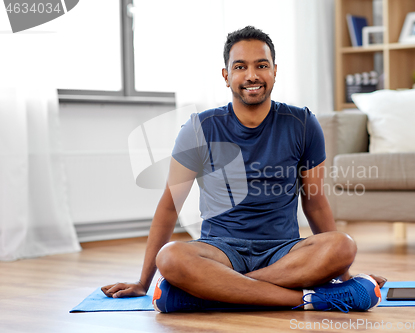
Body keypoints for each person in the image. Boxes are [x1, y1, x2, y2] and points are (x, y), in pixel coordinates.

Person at [102, 26, 386, 313]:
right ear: (226, 76)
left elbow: (314, 202)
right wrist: (143, 281)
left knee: (343, 246)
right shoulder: (199, 128)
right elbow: (168, 207)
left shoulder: (302, 123)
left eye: (261, 65)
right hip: (219, 251)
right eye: (240, 67)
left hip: (283, 251)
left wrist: (343, 270)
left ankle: (208, 294)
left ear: (275, 71)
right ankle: (315, 299)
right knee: (171, 257)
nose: (252, 75)